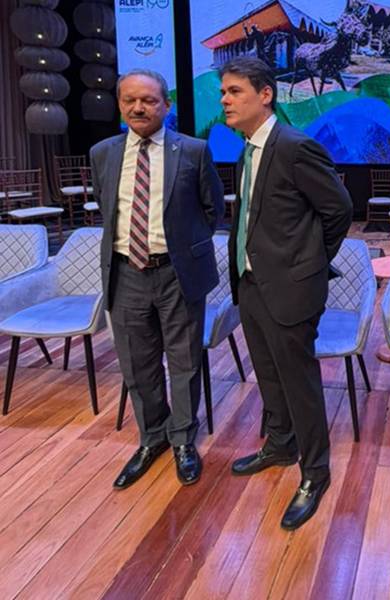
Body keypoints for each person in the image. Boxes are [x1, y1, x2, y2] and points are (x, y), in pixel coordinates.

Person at [220, 56, 352, 530]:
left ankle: (315, 472)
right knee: (269, 375)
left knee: (300, 383)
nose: (225, 100)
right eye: (223, 92)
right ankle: (280, 444)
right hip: (251, 283)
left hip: (291, 288)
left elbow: (339, 209)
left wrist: (307, 264)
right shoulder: (246, 151)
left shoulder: (296, 147)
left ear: (265, 94)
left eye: (234, 91)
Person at [90, 69, 224, 489]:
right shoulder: (103, 153)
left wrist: (181, 247)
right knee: (137, 364)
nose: (138, 108)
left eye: (148, 100)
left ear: (167, 104)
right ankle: (152, 438)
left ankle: (182, 439)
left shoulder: (194, 151)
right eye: (129, 100)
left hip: (177, 273)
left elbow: (212, 209)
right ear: (119, 105)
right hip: (125, 273)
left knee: (184, 361)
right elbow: (107, 209)